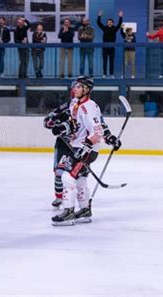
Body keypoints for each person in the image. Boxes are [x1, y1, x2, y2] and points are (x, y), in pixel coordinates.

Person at [51, 76, 120, 225]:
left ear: (86, 89)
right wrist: (62, 128)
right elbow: (75, 125)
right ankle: (84, 211)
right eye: (74, 86)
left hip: (86, 149)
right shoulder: (75, 104)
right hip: (76, 146)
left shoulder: (88, 106)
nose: (74, 88)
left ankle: (68, 212)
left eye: (78, 86)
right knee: (81, 180)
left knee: (67, 178)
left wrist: (86, 147)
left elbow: (97, 132)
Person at [97, 10, 123, 78]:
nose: (109, 23)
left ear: (112, 23)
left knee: (111, 61)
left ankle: (111, 74)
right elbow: (98, 23)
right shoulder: (104, 28)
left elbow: (119, 25)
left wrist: (120, 17)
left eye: (110, 22)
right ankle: (104, 74)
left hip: (112, 48)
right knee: (105, 61)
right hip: (105, 48)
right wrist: (99, 16)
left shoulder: (114, 29)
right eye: (108, 22)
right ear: (107, 23)